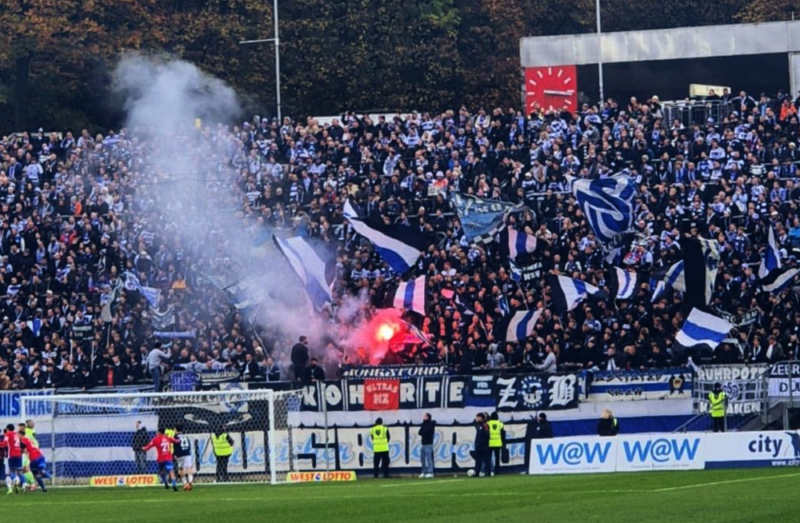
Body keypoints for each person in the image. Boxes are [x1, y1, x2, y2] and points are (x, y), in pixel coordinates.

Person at [142, 426, 180, 491]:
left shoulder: (155, 439)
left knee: (161, 471)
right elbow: (177, 441)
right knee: (171, 471)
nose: (156, 433)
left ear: (159, 432)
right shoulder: (168, 438)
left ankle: (165, 483)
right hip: (168, 458)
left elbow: (147, 448)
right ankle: (174, 485)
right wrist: (179, 439)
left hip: (161, 459)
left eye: (157, 432)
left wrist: (143, 448)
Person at [18, 424, 49, 492]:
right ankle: (43, 473)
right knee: (40, 466)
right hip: (39, 455)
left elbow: (23, 449)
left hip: (33, 458)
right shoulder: (28, 439)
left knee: (35, 473)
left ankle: (40, 483)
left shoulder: (23, 440)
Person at [4, 423, 24, 493]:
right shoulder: (17, 434)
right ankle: (23, 484)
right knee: (19, 471)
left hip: (11, 455)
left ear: (7, 429)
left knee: (11, 471)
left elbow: (5, 443)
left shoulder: (8, 434)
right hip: (18, 455)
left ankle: (16, 480)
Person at [173, 424, 194, 490]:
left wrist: (175, 454)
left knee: (181, 469)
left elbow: (175, 446)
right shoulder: (185, 436)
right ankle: (190, 482)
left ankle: (185, 483)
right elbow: (189, 445)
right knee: (189, 468)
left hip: (180, 454)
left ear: (176, 429)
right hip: (187, 453)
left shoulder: (175, 437)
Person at [472, 413, 490, 477]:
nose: (476, 418)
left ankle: (488, 472)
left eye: (477, 417)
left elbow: (487, 435)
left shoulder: (485, 425)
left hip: (483, 446)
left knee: (486, 460)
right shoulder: (478, 425)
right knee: (478, 460)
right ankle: (477, 472)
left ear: (481, 418)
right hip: (478, 446)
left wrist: (483, 443)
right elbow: (474, 423)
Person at [418, 413, 436, 478]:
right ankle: (424, 471)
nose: (423, 417)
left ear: (428, 417)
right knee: (422, 458)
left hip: (429, 444)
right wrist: (424, 432)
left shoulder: (431, 424)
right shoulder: (423, 424)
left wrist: (424, 432)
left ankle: (430, 472)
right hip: (423, 443)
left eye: (425, 416)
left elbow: (429, 432)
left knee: (429, 458)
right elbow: (419, 432)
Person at [487, 412, 505, 476]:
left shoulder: (488, 423)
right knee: (497, 458)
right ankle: (497, 471)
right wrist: (503, 443)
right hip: (498, 442)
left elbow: (486, 433)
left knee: (488, 458)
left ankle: (488, 470)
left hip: (490, 442)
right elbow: (503, 434)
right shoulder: (500, 424)